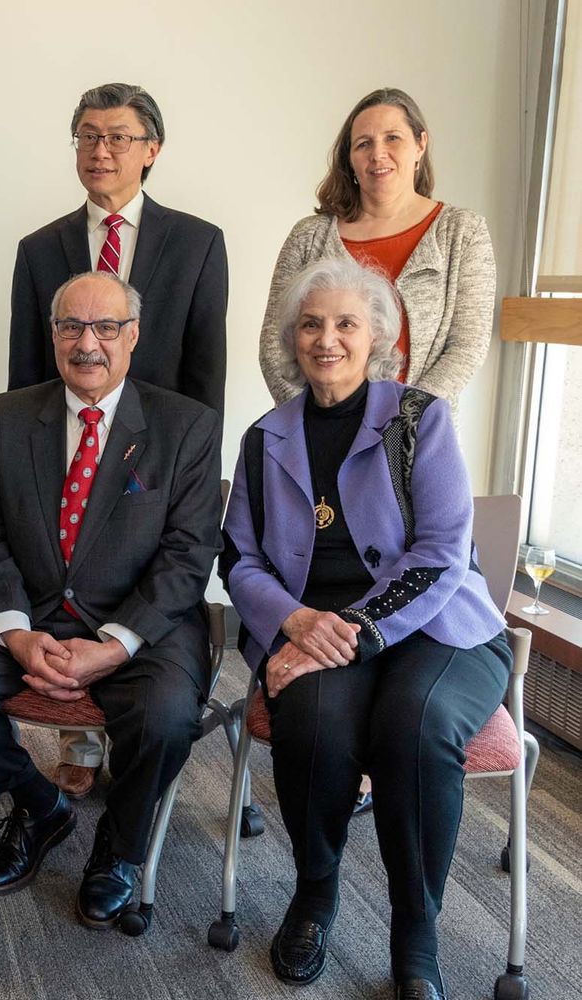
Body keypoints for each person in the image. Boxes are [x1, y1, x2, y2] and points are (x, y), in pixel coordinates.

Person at [223, 258, 509, 1000]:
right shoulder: (265, 438)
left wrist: (343, 630)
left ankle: (416, 933)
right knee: (313, 721)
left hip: (441, 629)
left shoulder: (420, 420)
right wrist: (292, 621)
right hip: (316, 632)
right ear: (292, 338)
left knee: (414, 725)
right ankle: (315, 893)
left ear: (377, 335)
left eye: (346, 323)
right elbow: (241, 559)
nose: (327, 339)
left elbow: (442, 553)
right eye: (311, 324)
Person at [0, 272, 221, 930]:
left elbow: (187, 556)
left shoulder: (186, 426)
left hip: (142, 625)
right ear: (52, 334)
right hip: (32, 615)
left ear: (133, 335)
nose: (88, 343)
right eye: (70, 327)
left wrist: (114, 645)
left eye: (105, 327)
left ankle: (117, 850)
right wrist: (16, 633)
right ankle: (39, 806)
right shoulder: (8, 416)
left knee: (168, 713)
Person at [6, 82, 228, 798]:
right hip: (68, 455)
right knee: (65, 584)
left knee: (139, 606)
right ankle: (76, 742)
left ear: (151, 150)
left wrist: (186, 483)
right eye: (87, 136)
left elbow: (205, 376)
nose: (100, 150)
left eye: (118, 137)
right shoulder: (40, 248)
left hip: (154, 472)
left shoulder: (196, 243)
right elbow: (25, 381)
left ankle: (125, 752)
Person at [259, 87, 497, 407]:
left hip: (416, 439)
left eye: (392, 138)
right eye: (363, 144)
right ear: (350, 159)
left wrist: (403, 421)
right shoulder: (308, 237)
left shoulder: (462, 233)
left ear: (420, 145)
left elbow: (467, 346)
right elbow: (275, 345)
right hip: (317, 439)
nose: (378, 154)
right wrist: (319, 422)